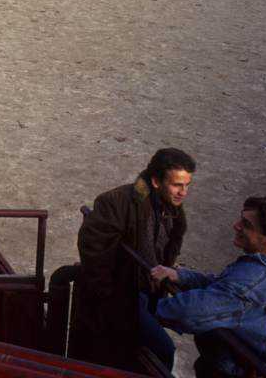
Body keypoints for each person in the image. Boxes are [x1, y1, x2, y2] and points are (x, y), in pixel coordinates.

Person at [72, 148, 196, 371]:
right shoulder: (118, 202)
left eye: (187, 185)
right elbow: (92, 248)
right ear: (156, 181)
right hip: (123, 295)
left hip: (150, 294)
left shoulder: (173, 208)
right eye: (177, 185)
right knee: (163, 350)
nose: (183, 192)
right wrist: (107, 294)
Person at [151, 197, 266, 378]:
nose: (236, 226)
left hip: (234, 371)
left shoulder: (251, 281)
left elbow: (188, 312)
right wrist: (181, 276)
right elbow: (220, 285)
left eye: (246, 224)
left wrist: (145, 308)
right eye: (240, 219)